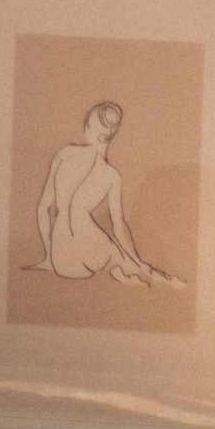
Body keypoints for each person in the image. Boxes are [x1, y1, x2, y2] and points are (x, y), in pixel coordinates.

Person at [29, 102, 184, 289]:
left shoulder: (65, 154)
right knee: (122, 258)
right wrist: (139, 261)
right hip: (93, 251)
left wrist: (49, 257)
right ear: (112, 135)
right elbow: (118, 226)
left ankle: (118, 269)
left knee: (110, 256)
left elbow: (43, 207)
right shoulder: (111, 175)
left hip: (62, 261)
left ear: (88, 127)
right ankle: (125, 268)